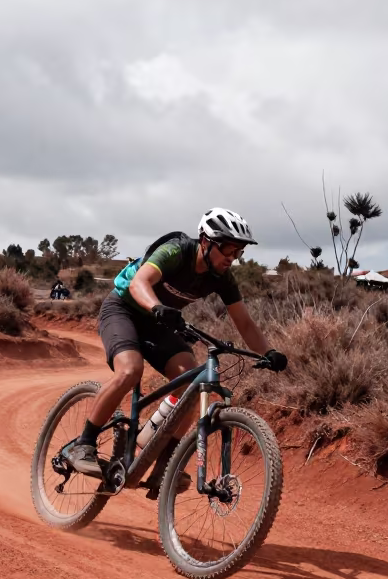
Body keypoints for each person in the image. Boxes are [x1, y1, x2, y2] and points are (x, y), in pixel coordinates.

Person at [63, 207, 287, 489]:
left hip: (159, 322)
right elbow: (139, 282)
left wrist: (268, 352)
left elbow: (244, 322)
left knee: (192, 384)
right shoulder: (176, 250)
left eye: (237, 253)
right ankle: (83, 444)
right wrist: (156, 306)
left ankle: (165, 466)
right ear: (206, 241)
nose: (232, 258)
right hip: (124, 310)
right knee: (131, 369)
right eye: (228, 250)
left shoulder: (222, 278)